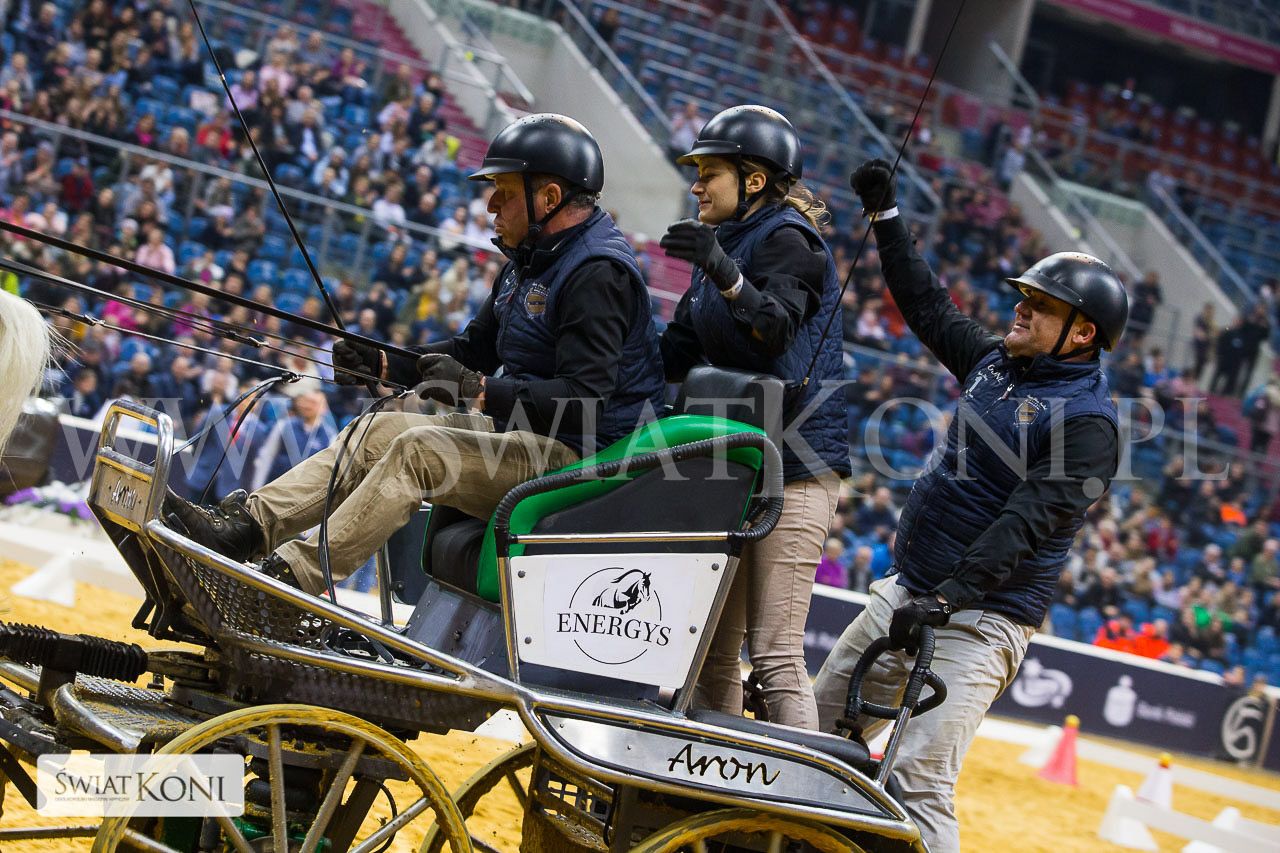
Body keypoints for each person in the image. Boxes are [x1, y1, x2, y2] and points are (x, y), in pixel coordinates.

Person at [164, 114, 667, 593]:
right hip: (527, 434)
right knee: (375, 430)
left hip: (585, 459)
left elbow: (583, 400)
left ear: (550, 197)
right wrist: (386, 362)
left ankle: (288, 581)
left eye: (505, 192)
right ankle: (244, 529)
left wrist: (476, 390)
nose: (491, 205)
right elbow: (474, 348)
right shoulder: (530, 261)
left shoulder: (597, 274)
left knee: (418, 451)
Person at [812, 158, 1128, 852]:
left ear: (1082, 333)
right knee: (808, 735)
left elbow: (1026, 523)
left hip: (982, 620)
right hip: (910, 591)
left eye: (1040, 305)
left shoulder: (1089, 425)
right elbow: (926, 305)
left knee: (917, 779)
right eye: (1024, 297)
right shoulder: (993, 365)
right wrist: (887, 217)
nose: (1020, 308)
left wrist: (949, 598)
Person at [659, 105, 849, 730]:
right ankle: (710, 776)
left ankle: (802, 786)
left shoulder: (793, 241)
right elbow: (674, 352)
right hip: (738, 465)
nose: (696, 186)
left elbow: (775, 331)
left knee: (775, 655)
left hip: (796, 469)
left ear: (755, 180)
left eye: (708, 173)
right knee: (712, 650)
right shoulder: (722, 247)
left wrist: (721, 268)